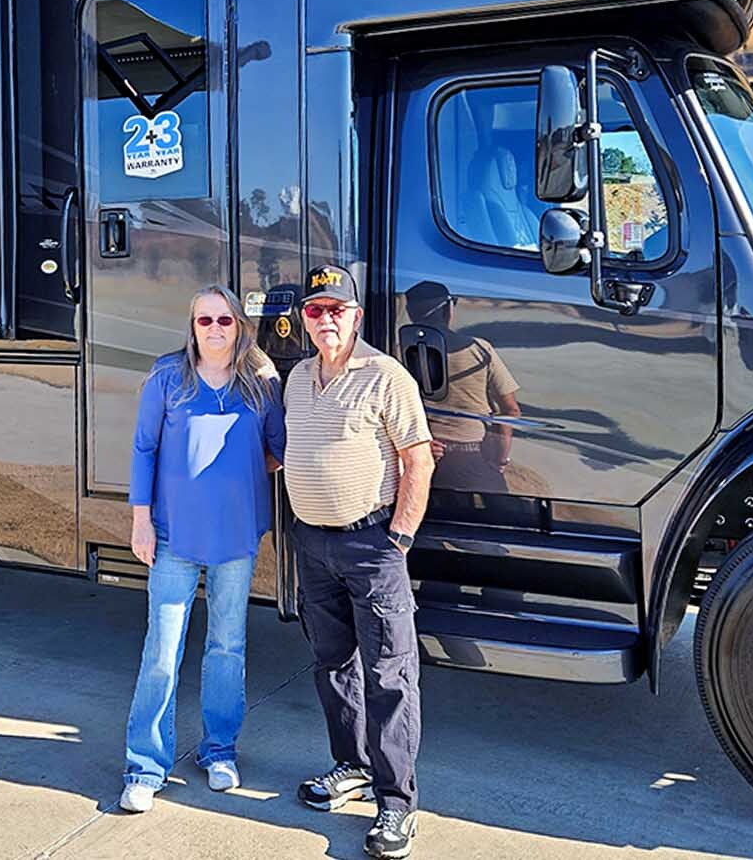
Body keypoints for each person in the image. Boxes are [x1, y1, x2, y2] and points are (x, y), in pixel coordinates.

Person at [283, 264, 434, 859]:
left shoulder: (386, 376)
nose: (325, 319)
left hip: (372, 545)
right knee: (333, 664)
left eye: (335, 310)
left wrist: (399, 538)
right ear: (304, 319)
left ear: (356, 316)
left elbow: (418, 459)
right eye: (315, 310)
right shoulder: (297, 378)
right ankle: (352, 766)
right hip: (313, 544)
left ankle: (397, 803)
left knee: (389, 674)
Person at [119, 285, 286, 814]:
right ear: (191, 327)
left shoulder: (260, 383)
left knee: (227, 647)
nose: (214, 329)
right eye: (204, 320)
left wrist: (236, 476)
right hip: (173, 536)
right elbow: (144, 448)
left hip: (235, 538)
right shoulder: (168, 377)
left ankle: (220, 751)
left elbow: (278, 449)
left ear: (240, 326)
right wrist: (141, 521)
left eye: (224, 320)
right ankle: (145, 766)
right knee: (162, 652)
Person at [402, 280, 522, 495]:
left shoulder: (398, 353)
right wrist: (500, 460)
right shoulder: (479, 350)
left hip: (421, 455)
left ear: (411, 315)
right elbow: (510, 410)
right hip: (472, 456)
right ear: (447, 310)